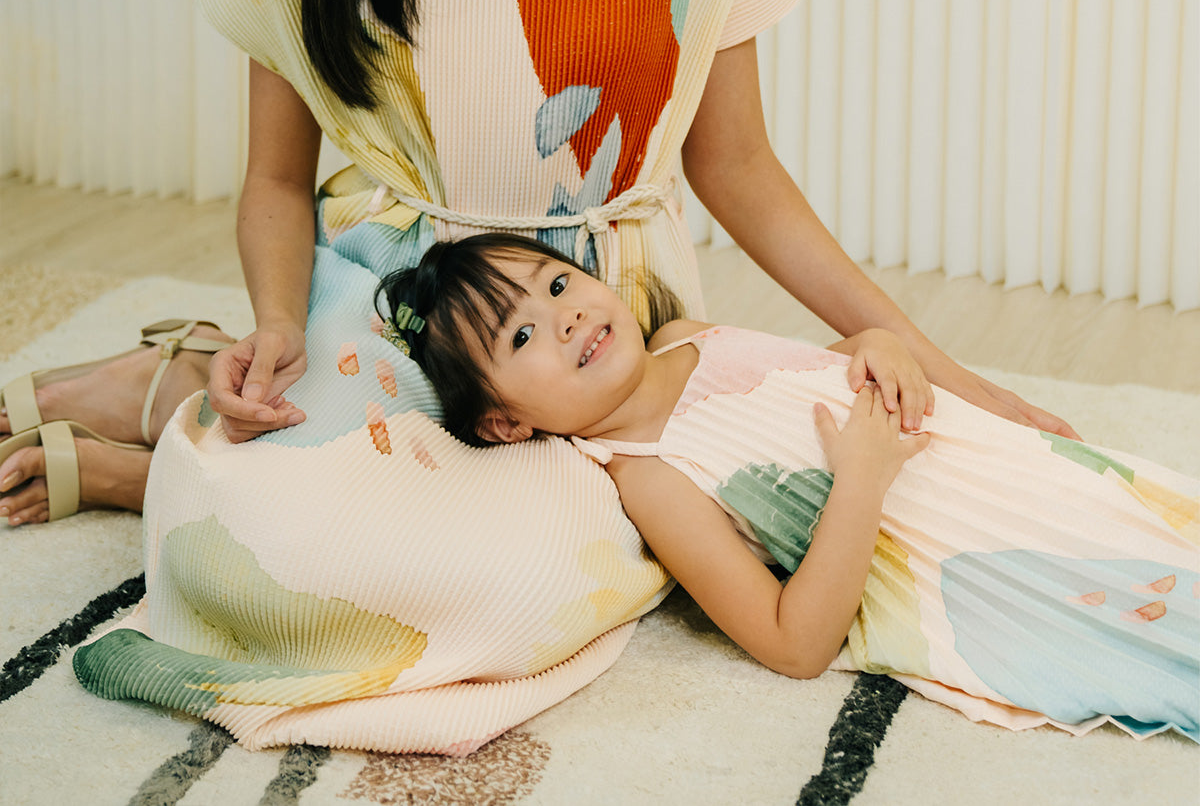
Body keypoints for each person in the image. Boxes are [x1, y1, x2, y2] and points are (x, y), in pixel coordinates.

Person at [12, 0, 1085, 751]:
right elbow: (271, 180)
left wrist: (924, 353)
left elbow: (736, 169)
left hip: (588, 338)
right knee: (283, 565)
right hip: (395, 304)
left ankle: (162, 429)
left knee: (515, 589)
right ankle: (187, 395)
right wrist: (271, 322)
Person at [380, 230, 1199, 741]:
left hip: (983, 458)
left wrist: (874, 343)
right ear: (504, 424)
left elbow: (808, 371)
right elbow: (794, 645)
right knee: (1151, 620)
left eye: (557, 284)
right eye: (521, 334)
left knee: (1166, 524)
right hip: (946, 537)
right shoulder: (648, 474)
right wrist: (862, 480)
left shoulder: (684, 336)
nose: (563, 318)